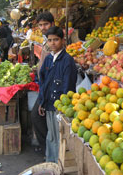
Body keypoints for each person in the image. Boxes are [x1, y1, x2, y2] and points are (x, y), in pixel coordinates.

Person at [38, 26, 77, 162]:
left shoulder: (68, 60)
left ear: (63, 41)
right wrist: (42, 101)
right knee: (51, 136)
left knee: (59, 137)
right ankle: (51, 163)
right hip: (48, 104)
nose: (52, 43)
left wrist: (63, 109)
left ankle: (56, 165)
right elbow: (43, 81)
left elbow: (69, 87)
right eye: (50, 40)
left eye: (56, 39)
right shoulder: (48, 59)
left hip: (60, 108)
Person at [31, 11, 55, 155]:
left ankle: (48, 150)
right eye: (40, 25)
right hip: (45, 84)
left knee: (37, 116)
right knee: (40, 117)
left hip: (50, 87)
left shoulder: (55, 40)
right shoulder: (47, 40)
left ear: (52, 23)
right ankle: (47, 148)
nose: (43, 27)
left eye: (45, 24)